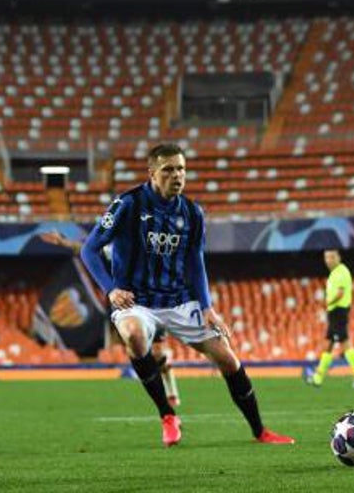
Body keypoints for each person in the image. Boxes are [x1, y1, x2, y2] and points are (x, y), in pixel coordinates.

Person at [80, 143, 293, 447]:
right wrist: (111, 289)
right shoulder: (128, 204)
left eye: (181, 169)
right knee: (134, 335)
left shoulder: (192, 213)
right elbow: (89, 248)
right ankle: (167, 415)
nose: (176, 175)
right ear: (152, 173)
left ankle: (260, 431)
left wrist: (207, 307)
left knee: (228, 359)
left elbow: (196, 262)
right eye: (168, 169)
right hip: (137, 301)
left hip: (179, 301)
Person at [38, 229, 181, 407]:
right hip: (123, 304)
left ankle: (171, 389)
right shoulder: (110, 248)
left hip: (150, 301)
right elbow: (84, 249)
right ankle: (155, 388)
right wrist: (62, 242)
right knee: (136, 345)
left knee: (158, 353)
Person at [308, 249, 354, 387]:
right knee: (329, 343)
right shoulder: (334, 273)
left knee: (344, 342)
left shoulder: (341, 271)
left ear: (339, 257)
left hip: (338, 310)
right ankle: (318, 377)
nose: (329, 260)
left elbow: (340, 293)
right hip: (335, 311)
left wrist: (329, 302)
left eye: (332, 257)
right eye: (326, 257)